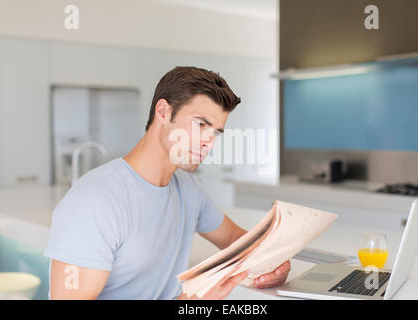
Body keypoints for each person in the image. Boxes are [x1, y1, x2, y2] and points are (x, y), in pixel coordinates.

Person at [44, 66, 290, 300]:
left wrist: (273, 260)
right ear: (163, 112)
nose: (209, 142)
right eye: (200, 124)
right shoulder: (95, 201)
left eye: (214, 132)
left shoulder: (188, 189)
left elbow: (234, 239)